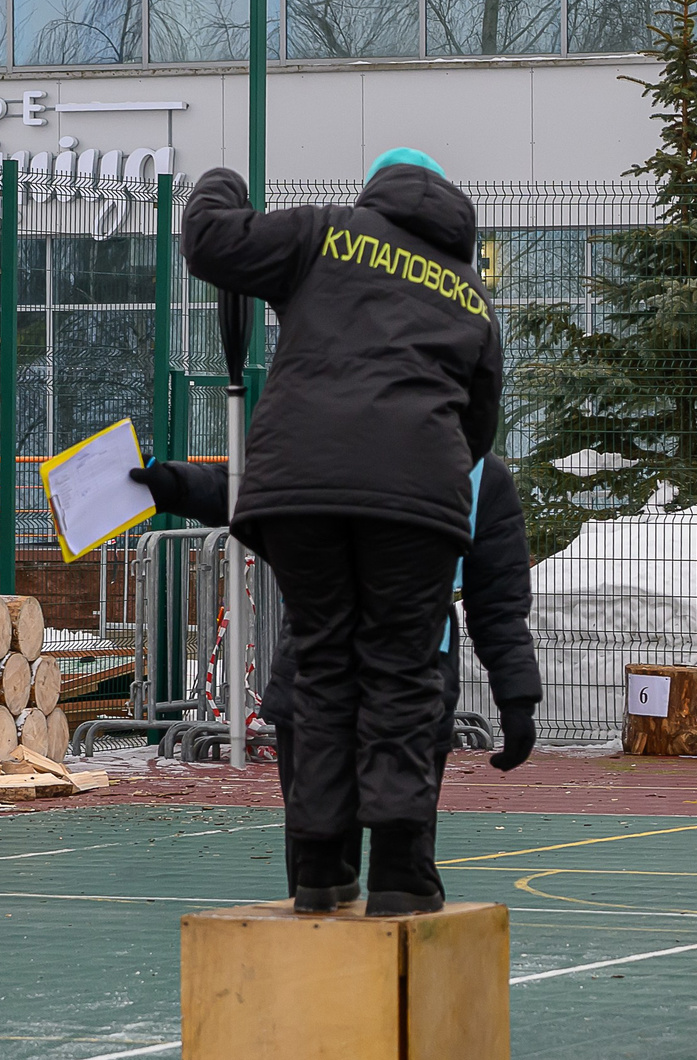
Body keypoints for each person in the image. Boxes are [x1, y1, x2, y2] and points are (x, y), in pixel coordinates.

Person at [180, 147, 505, 914]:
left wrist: (221, 182)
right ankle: (400, 868)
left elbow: (211, 245)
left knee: (322, 657)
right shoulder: (469, 295)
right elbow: (481, 427)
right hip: (416, 495)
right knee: (400, 667)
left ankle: (321, 866)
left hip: (300, 486)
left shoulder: (325, 234)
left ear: (376, 197)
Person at [130, 451, 541, 907]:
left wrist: (516, 691)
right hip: (383, 670)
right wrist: (173, 482)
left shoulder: (458, 465)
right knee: (349, 869)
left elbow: (244, 485)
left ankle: (368, 896)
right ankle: (365, 897)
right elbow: (246, 484)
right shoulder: (455, 460)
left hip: (353, 668)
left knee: (360, 867)